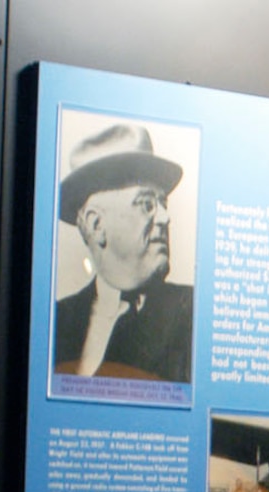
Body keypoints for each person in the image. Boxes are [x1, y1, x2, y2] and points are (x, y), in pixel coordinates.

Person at [52, 122, 193, 383]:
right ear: (96, 225)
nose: (165, 217)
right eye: (147, 204)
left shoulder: (193, 314)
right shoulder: (55, 321)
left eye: (163, 203)